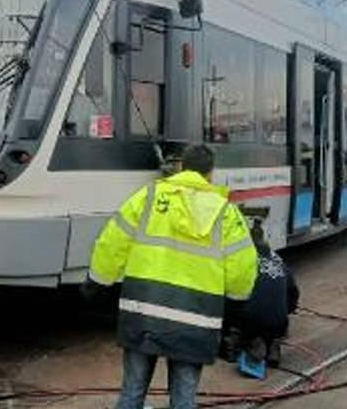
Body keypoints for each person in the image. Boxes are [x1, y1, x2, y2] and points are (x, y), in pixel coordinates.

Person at [85, 145, 257, 409]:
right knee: (184, 399)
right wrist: (235, 305)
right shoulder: (226, 212)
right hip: (196, 320)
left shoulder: (149, 196)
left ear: (181, 167)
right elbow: (243, 267)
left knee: (132, 392)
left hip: (143, 312)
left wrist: (97, 282)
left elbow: (113, 241)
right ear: (210, 174)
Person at [222, 220, 300, 370]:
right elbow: (293, 293)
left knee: (230, 300)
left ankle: (248, 341)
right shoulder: (278, 260)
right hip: (280, 321)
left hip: (250, 320)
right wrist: (285, 313)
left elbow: (230, 291)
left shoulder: (242, 260)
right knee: (272, 310)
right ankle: (273, 342)